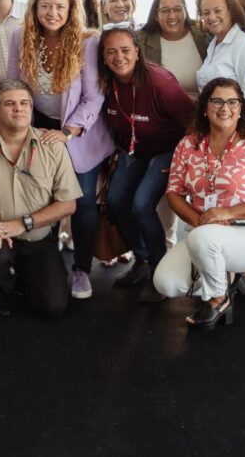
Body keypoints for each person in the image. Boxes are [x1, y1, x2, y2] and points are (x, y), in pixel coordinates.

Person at [7, 0, 115, 299]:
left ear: (71, 10)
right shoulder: (20, 37)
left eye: (59, 7)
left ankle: (81, 269)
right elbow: (14, 85)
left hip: (78, 132)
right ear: (34, 8)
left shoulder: (87, 42)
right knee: (44, 200)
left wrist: (67, 133)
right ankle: (47, 264)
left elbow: (94, 98)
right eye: (46, 6)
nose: (52, 12)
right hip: (37, 128)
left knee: (82, 203)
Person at [154, 78, 245, 329]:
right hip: (201, 232)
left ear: (241, 108)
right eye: (217, 101)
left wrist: (227, 212)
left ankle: (218, 299)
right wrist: (200, 221)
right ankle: (223, 274)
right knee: (165, 283)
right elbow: (174, 193)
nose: (225, 108)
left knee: (204, 239)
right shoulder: (187, 145)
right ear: (205, 107)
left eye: (233, 102)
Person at [0, 79, 82, 318]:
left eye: (24, 103)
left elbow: (68, 204)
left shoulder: (52, 146)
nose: (19, 109)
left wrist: (22, 224)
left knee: (53, 306)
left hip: (38, 239)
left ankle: (24, 276)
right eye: (10, 104)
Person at [99, 27, 195, 302]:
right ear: (103, 57)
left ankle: (158, 270)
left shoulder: (159, 83)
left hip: (166, 150)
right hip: (132, 150)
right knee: (116, 202)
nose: (119, 57)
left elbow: (193, 120)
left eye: (125, 50)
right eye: (111, 52)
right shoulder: (105, 83)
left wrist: (181, 161)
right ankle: (141, 260)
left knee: (141, 204)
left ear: (137, 51)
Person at [195, 0, 245, 121]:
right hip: (213, 125)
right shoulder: (213, 45)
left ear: (230, 11)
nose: (211, 17)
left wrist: (242, 132)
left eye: (217, 10)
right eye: (206, 13)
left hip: (235, 129)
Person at [137, 0, 210, 101]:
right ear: (156, 15)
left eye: (177, 9)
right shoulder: (140, 41)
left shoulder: (204, 35)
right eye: (165, 11)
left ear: (185, 11)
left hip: (202, 108)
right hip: (162, 109)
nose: (172, 16)